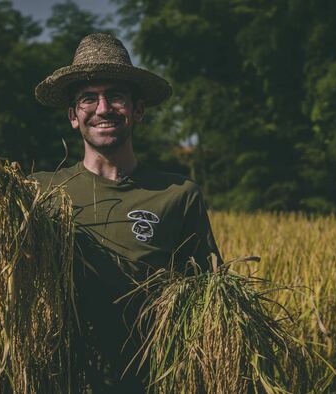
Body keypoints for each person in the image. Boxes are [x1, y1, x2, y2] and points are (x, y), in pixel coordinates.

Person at [32, 33, 222, 392]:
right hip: (60, 381)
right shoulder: (39, 193)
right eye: (89, 98)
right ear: (74, 116)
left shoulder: (178, 196)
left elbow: (207, 301)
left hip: (151, 382)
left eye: (115, 96)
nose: (103, 108)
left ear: (137, 110)